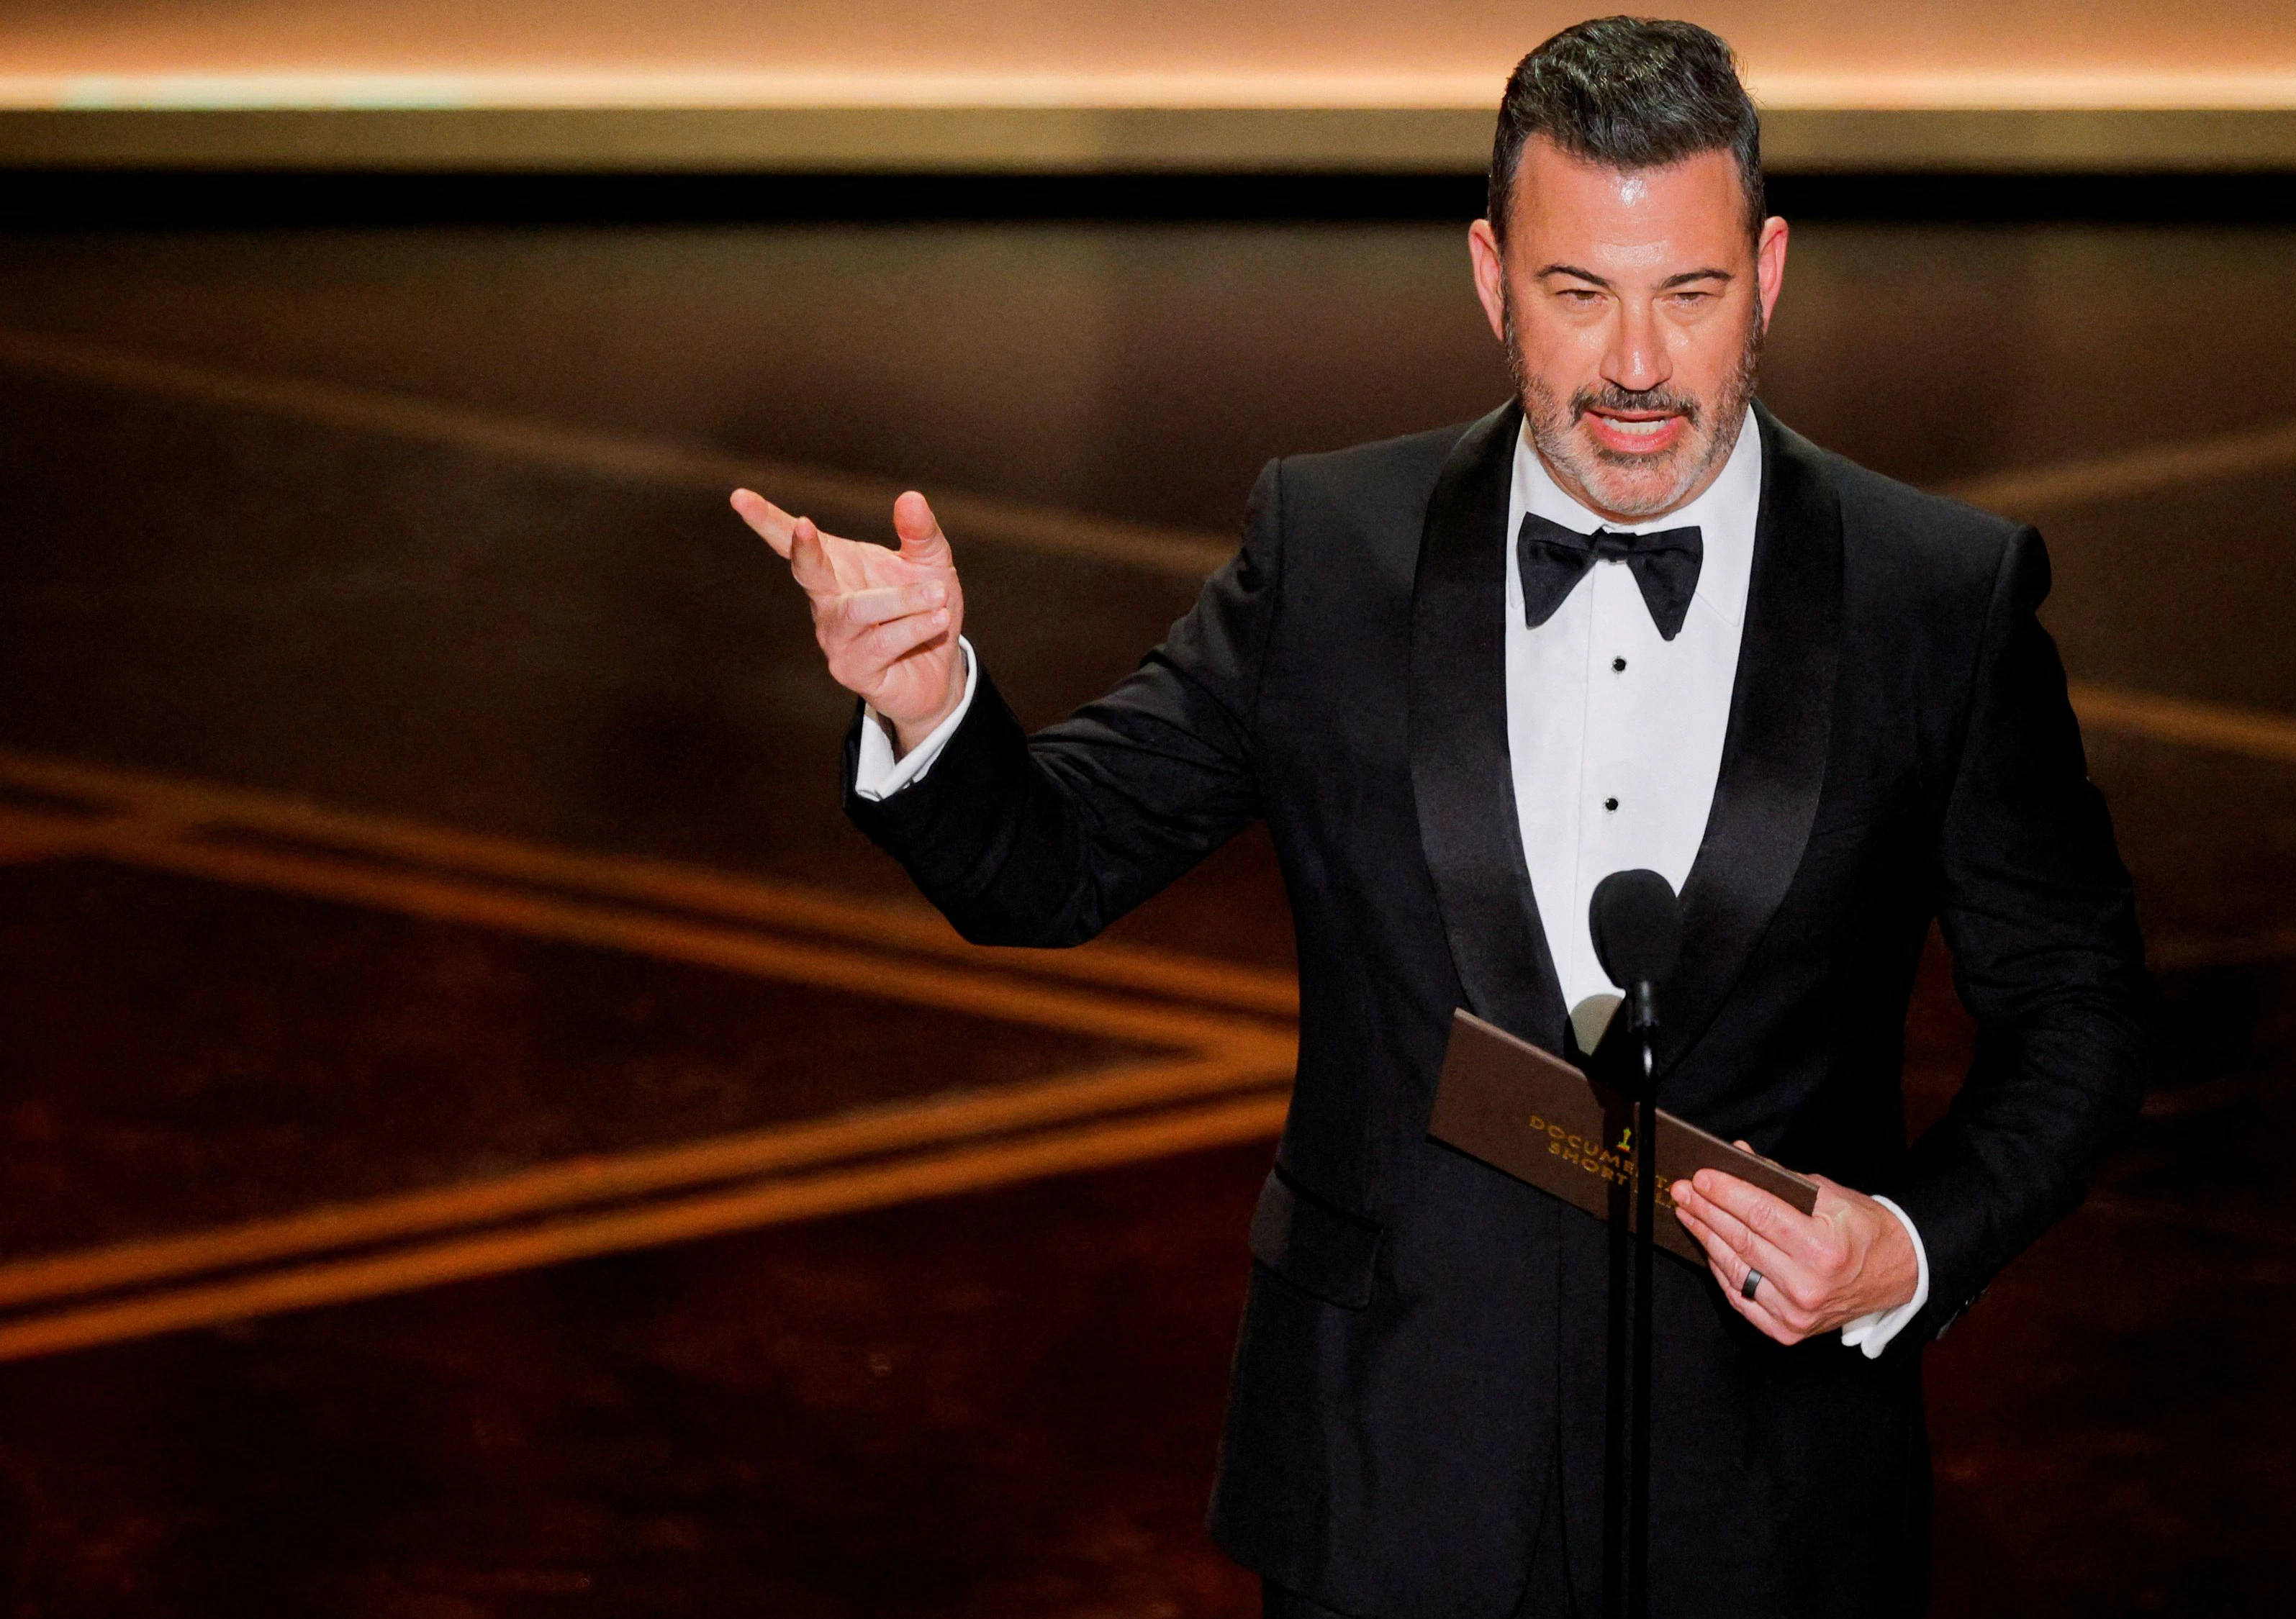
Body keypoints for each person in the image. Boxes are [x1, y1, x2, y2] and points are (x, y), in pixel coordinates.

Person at [733, 17, 2146, 1617]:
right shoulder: (1331, 549)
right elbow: (1048, 866)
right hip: (1390, 1467)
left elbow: (2079, 1018)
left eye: (1684, 294)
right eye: (1575, 291)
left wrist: (1900, 1247)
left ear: (1764, 274)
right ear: (1488, 278)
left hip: (1771, 1500)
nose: (1633, 366)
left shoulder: (1935, 598)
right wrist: (927, 700)